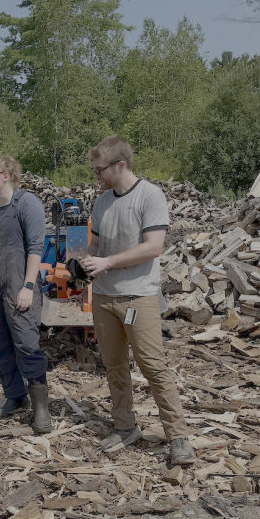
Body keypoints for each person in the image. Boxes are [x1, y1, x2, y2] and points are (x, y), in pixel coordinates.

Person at [82, 137, 195, 465]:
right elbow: (96, 246)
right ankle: (124, 426)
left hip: (138, 297)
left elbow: (152, 247)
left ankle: (178, 437)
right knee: (114, 365)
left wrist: (107, 263)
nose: (96, 176)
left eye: (100, 170)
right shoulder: (102, 201)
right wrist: (84, 267)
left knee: (153, 366)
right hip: (103, 296)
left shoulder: (150, 196)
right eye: (93, 171)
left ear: (121, 165)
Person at [0, 156, 51, 434]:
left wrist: (28, 286)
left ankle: (41, 405)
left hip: (19, 284)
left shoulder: (27, 203)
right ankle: (15, 396)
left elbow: (36, 247)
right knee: (1, 343)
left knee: (26, 343)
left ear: (5, 175)